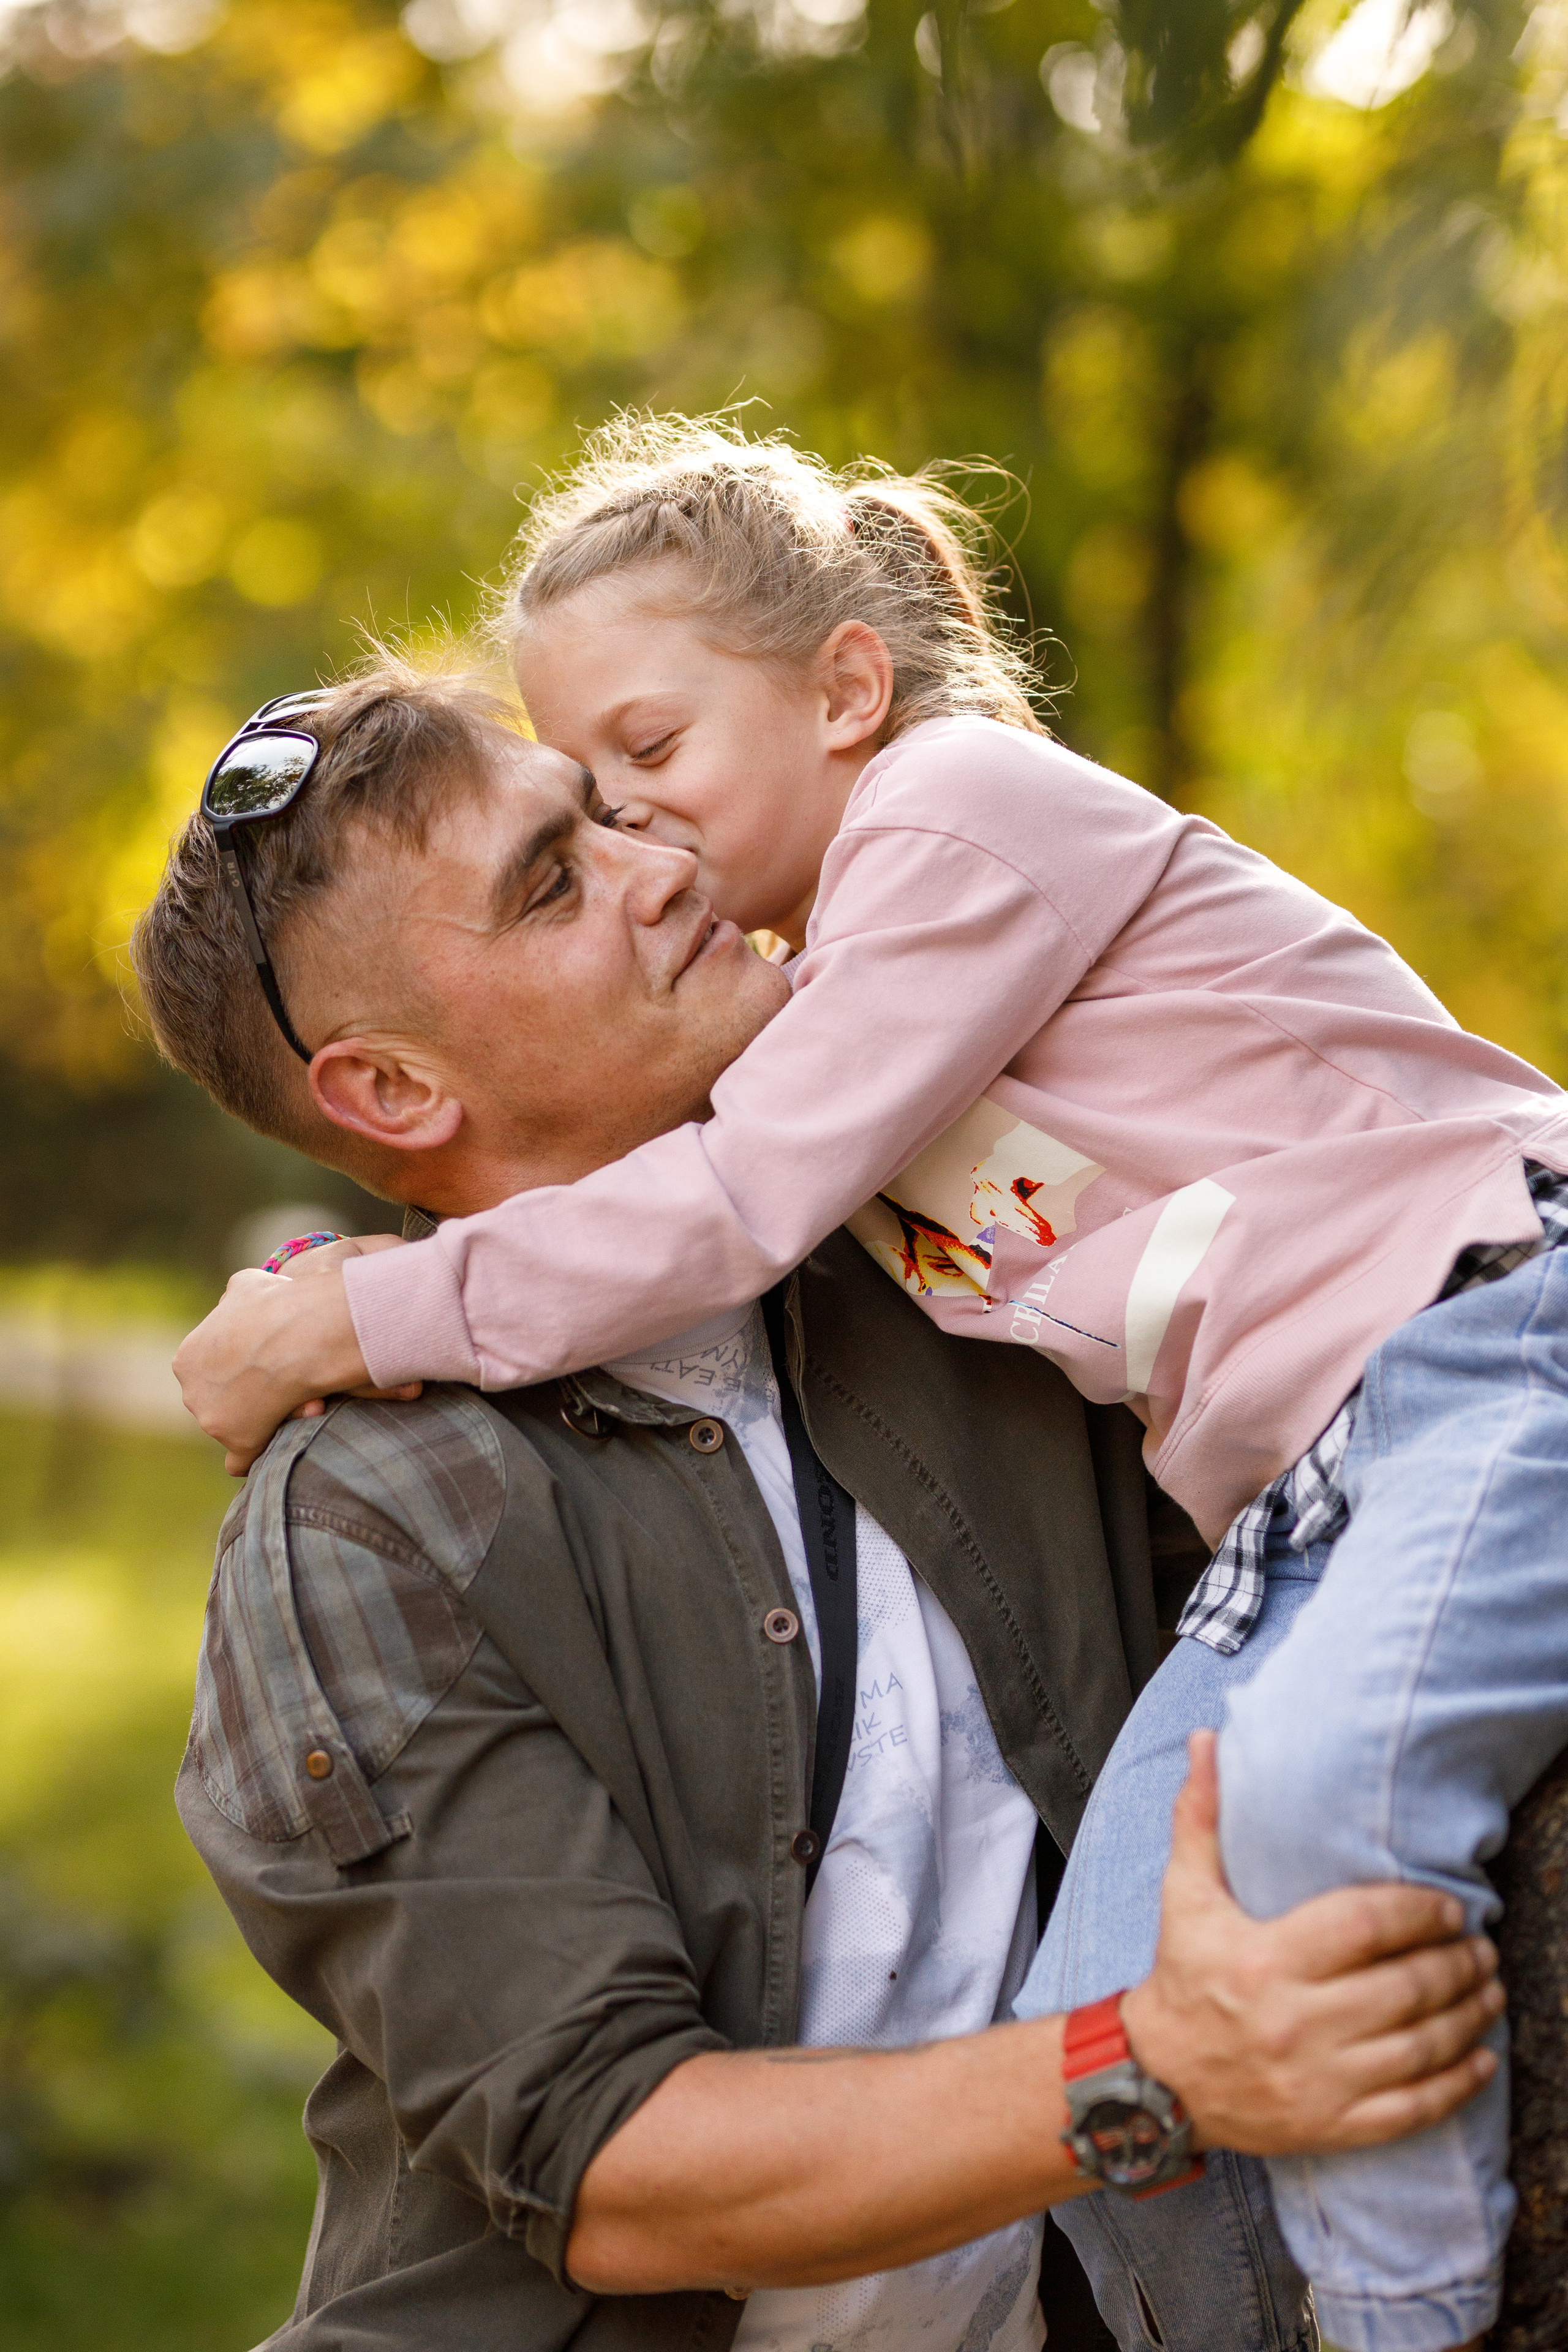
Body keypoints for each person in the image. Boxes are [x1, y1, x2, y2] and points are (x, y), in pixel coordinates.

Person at [168, 419, 1568, 2352]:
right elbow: (615, 2166)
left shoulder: (919, 1247)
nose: (659, 865)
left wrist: (360, 1304)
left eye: (631, 795)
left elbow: (776, 1193)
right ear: (394, 1092)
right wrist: (1145, 2064)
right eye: (561, 874)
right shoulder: (375, 1515)